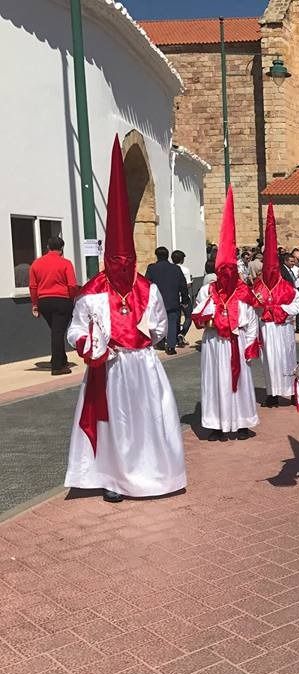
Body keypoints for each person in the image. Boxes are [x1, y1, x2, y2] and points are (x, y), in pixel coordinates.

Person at [64, 136, 186, 503]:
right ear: (107, 259)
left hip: (142, 366)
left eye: (126, 260)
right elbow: (74, 328)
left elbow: (162, 326)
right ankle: (114, 478)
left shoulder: (146, 287)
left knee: (148, 420)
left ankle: (154, 474)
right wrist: (86, 342)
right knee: (115, 423)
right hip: (110, 367)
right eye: (115, 260)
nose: (121, 266)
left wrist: (146, 332)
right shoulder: (93, 290)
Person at [192, 186, 260, 441]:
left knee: (239, 383)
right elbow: (198, 314)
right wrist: (212, 318)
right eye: (223, 272)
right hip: (214, 343)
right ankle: (217, 423)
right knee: (215, 383)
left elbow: (251, 320)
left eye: (231, 271)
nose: (227, 276)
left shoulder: (244, 292)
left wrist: (251, 344)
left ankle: (241, 422)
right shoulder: (208, 290)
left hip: (237, 343)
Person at [252, 204, 299, 408]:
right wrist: (263, 310)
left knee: (287, 358)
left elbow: (297, 303)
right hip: (267, 329)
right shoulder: (257, 286)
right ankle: (272, 393)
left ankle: (290, 391)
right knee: (269, 361)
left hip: (283, 329)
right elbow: (252, 307)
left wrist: (280, 310)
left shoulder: (287, 287)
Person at [29, 235, 78, 375]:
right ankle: (57, 367)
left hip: (44, 301)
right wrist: (72, 299)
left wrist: (35, 304)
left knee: (56, 331)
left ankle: (60, 359)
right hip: (62, 300)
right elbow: (72, 285)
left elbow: (33, 286)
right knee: (58, 332)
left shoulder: (36, 264)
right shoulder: (66, 263)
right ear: (61, 249)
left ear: (47, 248)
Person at [145, 246, 191, 355]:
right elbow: (183, 285)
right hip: (173, 300)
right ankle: (170, 346)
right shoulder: (176, 269)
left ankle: (160, 342)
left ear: (157, 256)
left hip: (157, 301)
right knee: (172, 322)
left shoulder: (152, 268)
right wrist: (185, 300)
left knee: (158, 322)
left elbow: (146, 284)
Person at [171, 250, 193, 347]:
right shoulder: (185, 270)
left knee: (176, 318)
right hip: (184, 297)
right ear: (182, 259)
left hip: (173, 297)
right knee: (189, 316)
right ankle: (182, 334)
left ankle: (176, 337)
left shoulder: (170, 269)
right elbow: (187, 285)